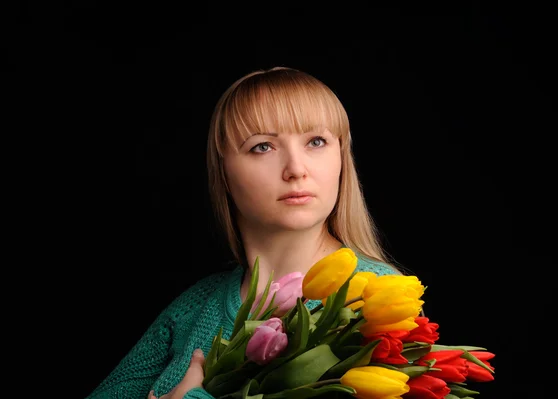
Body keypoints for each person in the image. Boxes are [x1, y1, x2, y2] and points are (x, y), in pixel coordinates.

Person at [86, 66, 410, 399]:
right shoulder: (193, 308)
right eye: (262, 147)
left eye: (316, 141)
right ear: (223, 172)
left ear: (342, 158)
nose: (296, 169)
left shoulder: (376, 300)